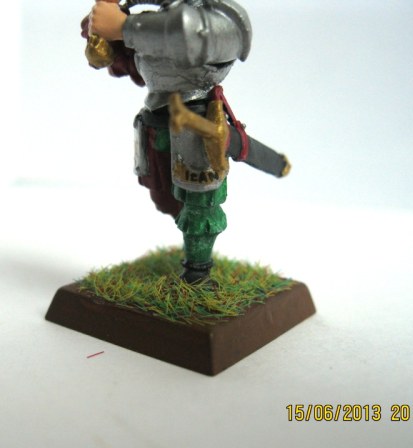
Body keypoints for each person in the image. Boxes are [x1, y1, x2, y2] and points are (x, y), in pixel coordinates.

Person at [83, 0, 275, 284]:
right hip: (157, 121)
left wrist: (123, 26)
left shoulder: (222, 17)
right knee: (166, 198)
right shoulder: (155, 20)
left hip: (197, 124)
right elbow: (125, 62)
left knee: (201, 204)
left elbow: (189, 35)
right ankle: (192, 254)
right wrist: (105, 34)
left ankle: (198, 274)